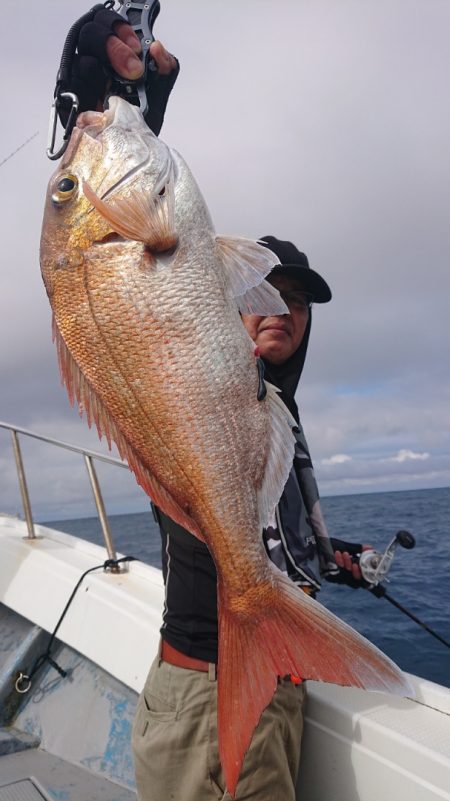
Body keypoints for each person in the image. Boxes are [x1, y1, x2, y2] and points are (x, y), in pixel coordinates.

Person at [58, 9, 369, 800]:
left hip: (276, 682)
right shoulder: (212, 374)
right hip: (203, 685)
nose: (280, 311)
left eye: (297, 301)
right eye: (266, 292)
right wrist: (97, 88)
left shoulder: (278, 419)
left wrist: (324, 552)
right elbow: (134, 220)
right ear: (229, 302)